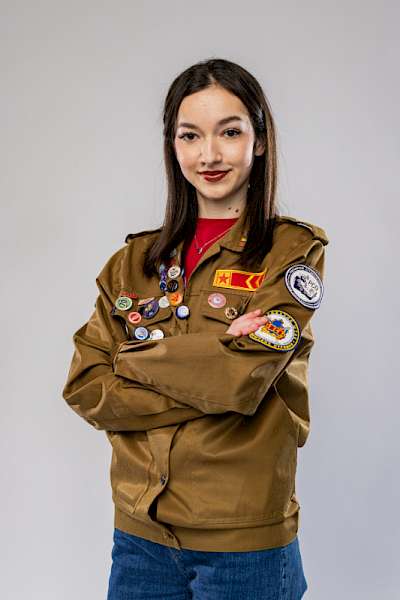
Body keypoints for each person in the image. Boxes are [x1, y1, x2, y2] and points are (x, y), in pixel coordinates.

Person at [62, 57, 329, 599]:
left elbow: (242, 380)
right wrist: (213, 357)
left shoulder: (291, 252)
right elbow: (86, 388)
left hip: (244, 546)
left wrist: (129, 362)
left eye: (229, 132)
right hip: (139, 538)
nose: (209, 155)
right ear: (173, 145)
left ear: (259, 140)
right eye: (190, 135)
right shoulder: (132, 262)